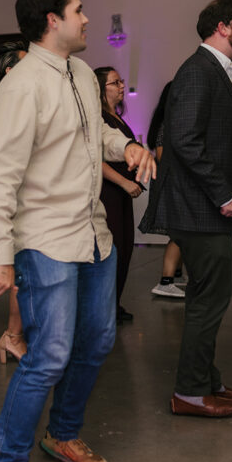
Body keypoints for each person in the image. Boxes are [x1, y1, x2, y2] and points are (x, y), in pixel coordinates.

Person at [0, 0, 155, 462]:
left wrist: (127, 143)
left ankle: (63, 434)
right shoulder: (19, 86)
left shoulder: (79, 73)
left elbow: (93, 133)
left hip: (94, 234)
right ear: (52, 19)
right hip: (46, 240)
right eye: (79, 9)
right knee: (48, 355)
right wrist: (0, 253)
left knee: (97, 340)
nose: (88, 18)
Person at [139, 0, 232, 418]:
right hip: (199, 208)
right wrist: (224, 193)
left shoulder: (217, 70)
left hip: (204, 206)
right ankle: (191, 392)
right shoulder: (198, 71)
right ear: (222, 27)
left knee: (207, 298)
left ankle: (207, 381)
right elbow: (186, 142)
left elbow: (219, 140)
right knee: (209, 299)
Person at [0, 40, 29, 363]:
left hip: (31, 197)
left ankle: (17, 334)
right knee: (21, 275)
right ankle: (12, 335)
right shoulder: (5, 102)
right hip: (18, 198)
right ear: (11, 71)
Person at [95, 66, 142, 324]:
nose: (122, 86)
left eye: (121, 81)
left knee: (124, 247)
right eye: (115, 82)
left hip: (122, 192)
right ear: (101, 90)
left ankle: (113, 304)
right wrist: (124, 182)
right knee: (111, 250)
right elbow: (96, 160)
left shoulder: (117, 117)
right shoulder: (99, 118)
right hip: (109, 191)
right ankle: (103, 309)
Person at [147, 82, 187, 298]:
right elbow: (164, 160)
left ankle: (177, 275)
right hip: (172, 186)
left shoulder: (172, 122)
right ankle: (165, 281)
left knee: (181, 232)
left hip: (175, 185)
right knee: (179, 234)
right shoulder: (166, 125)